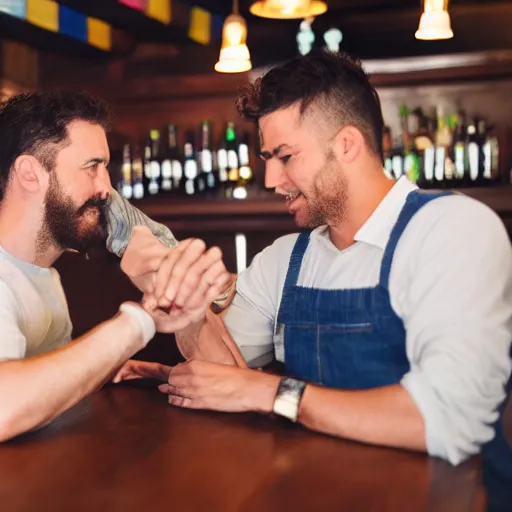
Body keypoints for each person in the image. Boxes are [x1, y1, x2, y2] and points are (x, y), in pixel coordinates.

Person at [132, 51, 512, 466]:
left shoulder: (451, 230)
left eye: (286, 156)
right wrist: (187, 311)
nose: (272, 181)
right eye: (267, 159)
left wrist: (269, 393)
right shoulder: (285, 259)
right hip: (316, 488)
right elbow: (217, 377)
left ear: (347, 145)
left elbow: (447, 420)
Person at [0, 91, 233, 442]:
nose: (106, 187)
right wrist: (141, 321)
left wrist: (99, 370)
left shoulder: (42, 273)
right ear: (30, 174)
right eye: (92, 167)